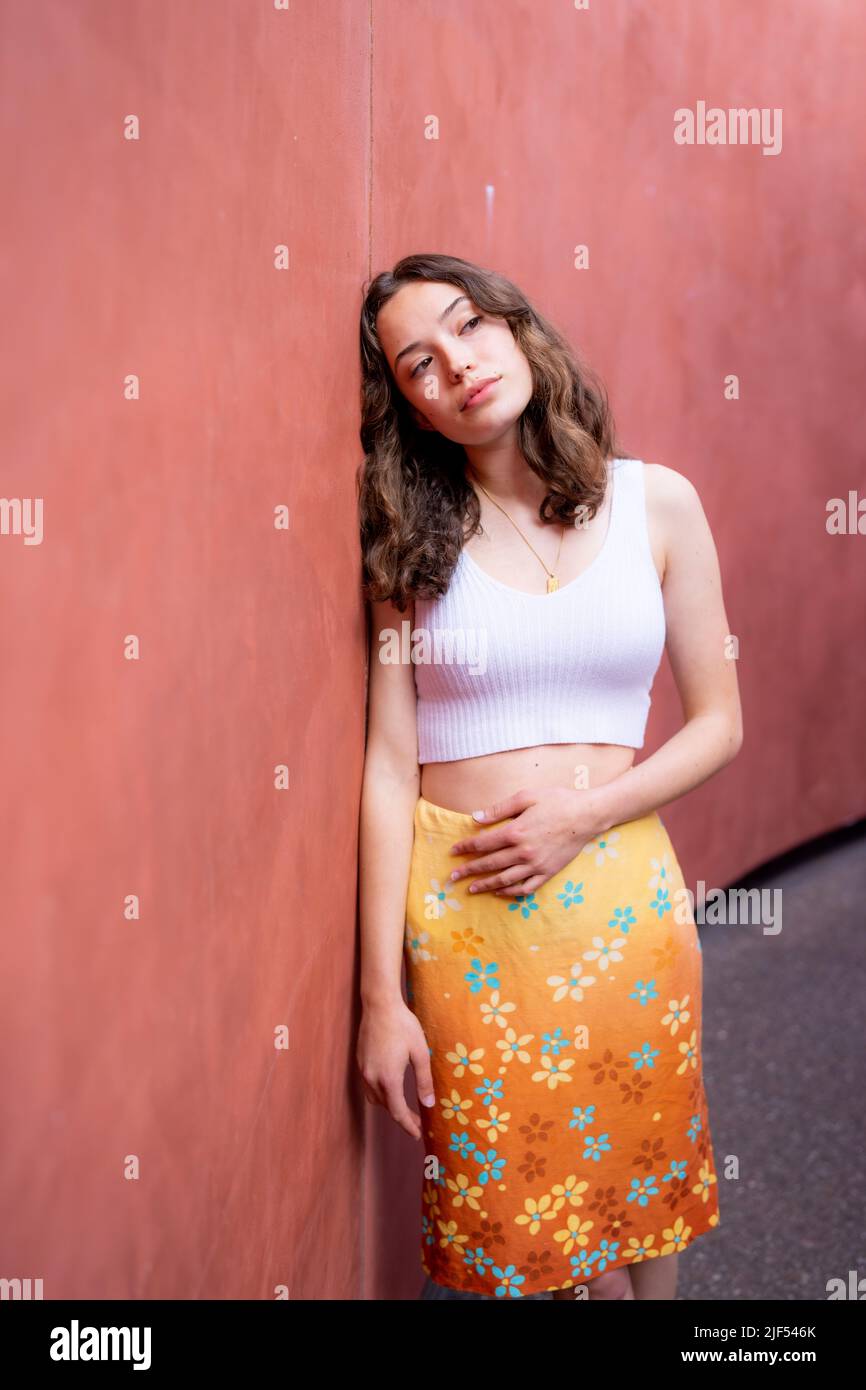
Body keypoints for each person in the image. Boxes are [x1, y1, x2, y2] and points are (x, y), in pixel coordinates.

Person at [355, 252, 742, 1302]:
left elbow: (719, 723)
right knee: (518, 1214)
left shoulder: (656, 504)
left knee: (642, 1153)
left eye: (468, 325)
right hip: (468, 907)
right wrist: (377, 997)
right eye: (417, 365)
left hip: (620, 889)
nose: (458, 365)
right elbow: (389, 768)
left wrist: (582, 816)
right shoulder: (409, 544)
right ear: (414, 412)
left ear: (519, 328)